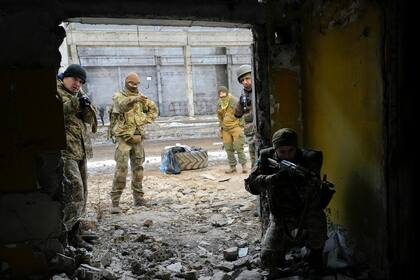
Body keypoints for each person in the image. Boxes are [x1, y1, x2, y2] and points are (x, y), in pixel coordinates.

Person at [245, 128, 332, 278]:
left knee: (317, 252)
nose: (287, 155)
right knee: (267, 259)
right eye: (282, 152)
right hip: (280, 218)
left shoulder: (310, 158)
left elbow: (315, 194)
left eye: (291, 151)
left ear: (296, 148)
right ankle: (284, 250)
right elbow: (250, 185)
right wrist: (271, 180)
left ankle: (313, 255)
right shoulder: (266, 157)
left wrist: (298, 181)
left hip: (306, 214)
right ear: (275, 150)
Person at [57, 64, 97, 251]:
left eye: (80, 82)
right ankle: (63, 237)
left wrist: (85, 104)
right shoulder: (56, 92)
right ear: (66, 77)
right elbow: (54, 114)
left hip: (80, 152)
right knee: (75, 193)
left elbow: (90, 120)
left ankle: (75, 234)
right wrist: (76, 103)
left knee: (83, 195)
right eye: (75, 79)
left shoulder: (77, 95)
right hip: (65, 153)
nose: (77, 83)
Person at [109, 72, 158, 214]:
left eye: (137, 84)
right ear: (126, 82)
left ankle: (138, 198)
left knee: (138, 170)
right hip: (123, 138)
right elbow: (121, 105)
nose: (134, 86)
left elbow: (154, 110)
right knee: (121, 170)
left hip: (137, 139)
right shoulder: (119, 96)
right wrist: (134, 99)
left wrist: (144, 121)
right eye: (132, 83)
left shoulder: (142, 98)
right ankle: (115, 202)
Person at [217, 86, 247, 174]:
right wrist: (220, 126)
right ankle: (232, 167)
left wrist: (241, 125)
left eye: (223, 92)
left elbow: (241, 112)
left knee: (239, 147)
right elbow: (219, 116)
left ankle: (244, 166)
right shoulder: (219, 103)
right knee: (228, 148)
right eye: (220, 93)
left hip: (235, 127)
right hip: (225, 129)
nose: (222, 94)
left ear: (226, 92)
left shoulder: (234, 100)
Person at [234, 64, 256, 169]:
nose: (245, 82)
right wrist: (242, 102)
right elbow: (237, 114)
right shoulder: (244, 94)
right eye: (242, 80)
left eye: (247, 78)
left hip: (263, 131)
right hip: (251, 132)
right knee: (253, 158)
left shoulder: (259, 91)